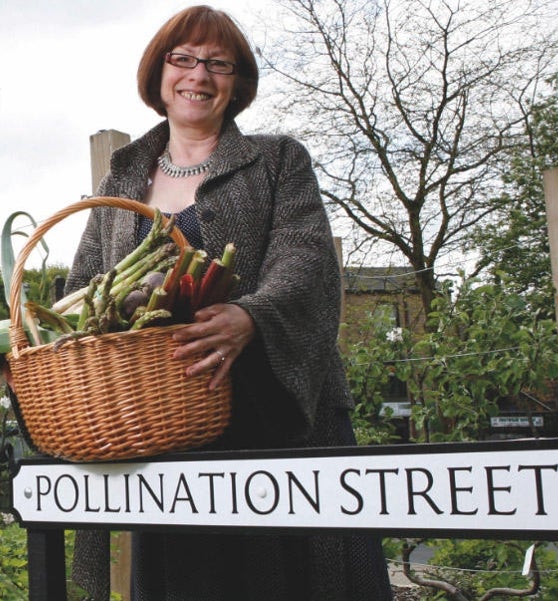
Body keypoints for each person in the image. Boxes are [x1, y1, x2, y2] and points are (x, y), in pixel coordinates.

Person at [64, 5, 394, 600]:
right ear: (158, 75)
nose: (199, 75)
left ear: (237, 83)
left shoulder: (276, 160)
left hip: (276, 420)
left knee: (296, 581)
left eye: (219, 63)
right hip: (168, 429)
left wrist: (252, 316)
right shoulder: (121, 179)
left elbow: (307, 258)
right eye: (183, 59)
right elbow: (82, 287)